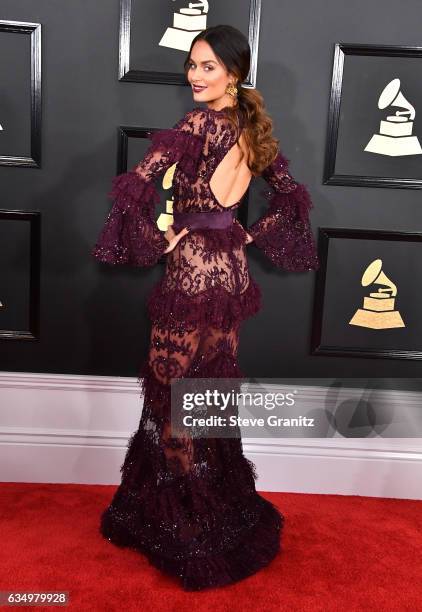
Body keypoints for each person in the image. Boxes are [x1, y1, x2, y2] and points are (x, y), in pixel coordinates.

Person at [91, 24, 319, 591]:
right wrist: (244, 234)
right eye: (192, 64)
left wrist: (156, 239)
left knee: (173, 392)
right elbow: (291, 197)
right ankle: (215, 502)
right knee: (209, 391)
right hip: (231, 275)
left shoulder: (197, 124)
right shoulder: (252, 128)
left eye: (208, 66)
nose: (194, 75)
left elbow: (136, 186)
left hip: (193, 272)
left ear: (234, 73)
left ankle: (182, 514)